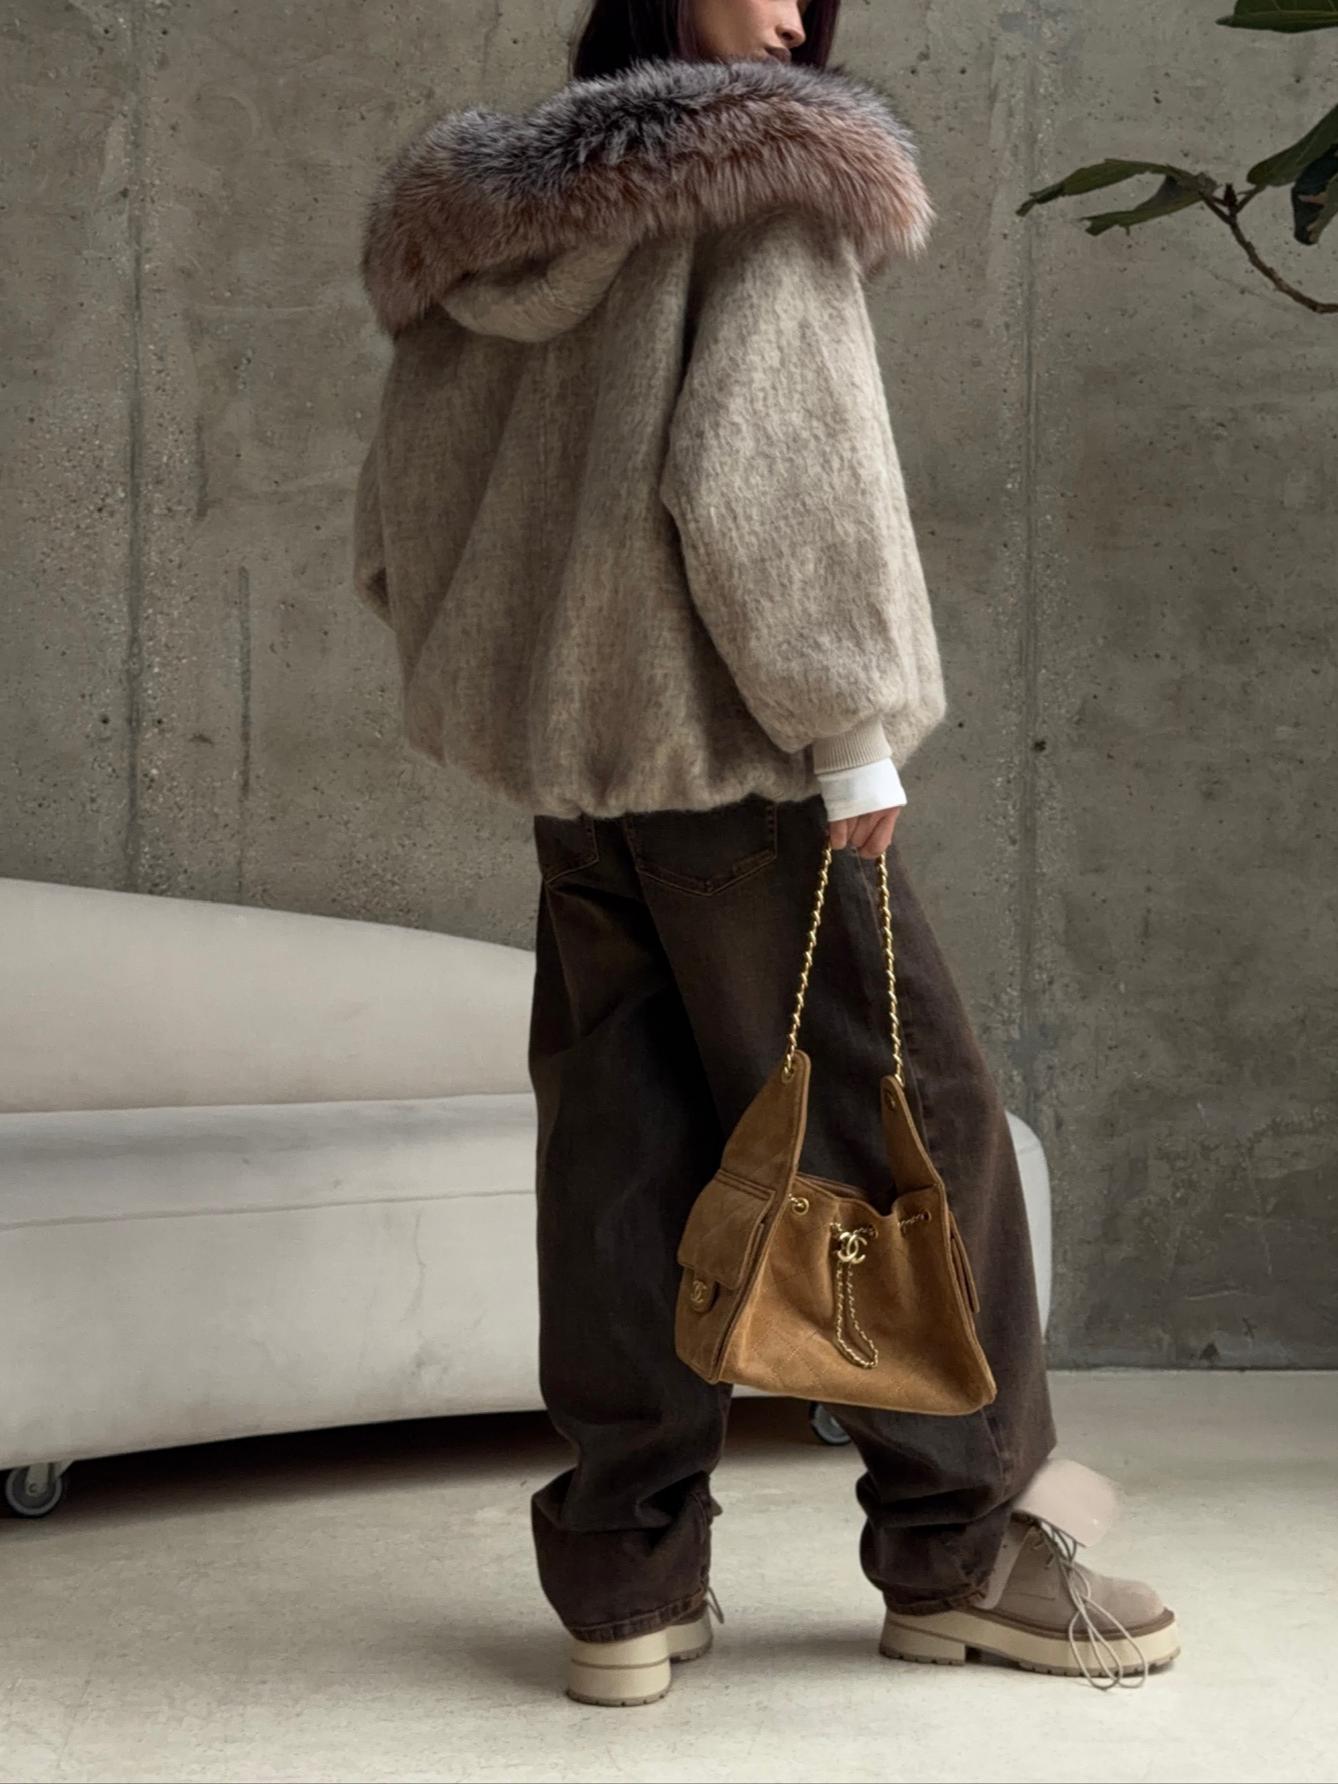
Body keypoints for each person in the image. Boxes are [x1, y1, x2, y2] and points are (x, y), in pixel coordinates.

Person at [353, 0, 1180, 1702]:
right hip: (742, 767)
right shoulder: (761, 184)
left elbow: (397, 520)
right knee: (910, 1128)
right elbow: (781, 478)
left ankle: (624, 1578)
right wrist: (847, 726)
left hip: (583, 785)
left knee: (623, 1151)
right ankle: (964, 1550)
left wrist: (524, 672)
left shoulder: (483, 225)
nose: (795, 7)